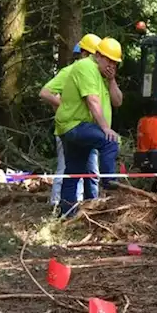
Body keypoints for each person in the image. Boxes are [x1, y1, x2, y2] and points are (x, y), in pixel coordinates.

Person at [54, 36, 125, 217]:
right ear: (98, 56)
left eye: (115, 63)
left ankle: (67, 215)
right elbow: (92, 101)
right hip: (74, 125)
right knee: (110, 141)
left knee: (74, 172)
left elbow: (118, 102)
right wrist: (105, 129)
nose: (111, 66)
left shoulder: (103, 75)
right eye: (109, 60)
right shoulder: (86, 67)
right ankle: (111, 184)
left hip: (81, 127)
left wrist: (111, 80)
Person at [39, 34, 101, 207]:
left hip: (88, 129)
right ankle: (58, 206)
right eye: (94, 55)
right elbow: (45, 92)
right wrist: (65, 107)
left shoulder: (95, 75)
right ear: (83, 54)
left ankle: (92, 208)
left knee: (92, 172)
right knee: (67, 169)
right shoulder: (70, 72)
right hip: (69, 129)